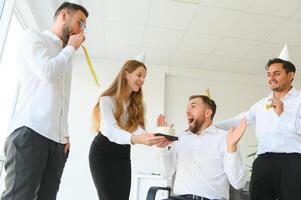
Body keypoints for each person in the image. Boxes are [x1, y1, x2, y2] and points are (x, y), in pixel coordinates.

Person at [1, 2, 88, 200]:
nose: (81, 30)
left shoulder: (67, 56)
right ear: (64, 15)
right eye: (80, 22)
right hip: (30, 134)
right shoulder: (34, 37)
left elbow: (62, 98)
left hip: (57, 143)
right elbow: (47, 73)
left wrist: (64, 133)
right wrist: (71, 49)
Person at [216, 49, 301, 199]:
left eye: (276, 73)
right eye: (269, 74)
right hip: (264, 162)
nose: (271, 78)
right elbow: (239, 120)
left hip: (293, 162)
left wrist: (283, 113)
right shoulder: (262, 104)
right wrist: (211, 127)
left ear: (290, 75)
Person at [89, 58, 169, 200]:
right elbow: (111, 130)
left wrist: (157, 137)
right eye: (139, 75)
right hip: (102, 152)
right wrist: (136, 139)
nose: (142, 79)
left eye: (144, 77)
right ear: (126, 74)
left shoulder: (138, 104)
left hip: (122, 153)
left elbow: (137, 129)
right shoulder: (107, 100)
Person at [159, 94, 248, 200]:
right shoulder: (181, 138)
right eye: (187, 107)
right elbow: (166, 173)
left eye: (193, 106)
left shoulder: (226, 139)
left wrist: (232, 148)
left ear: (208, 113)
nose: (187, 111)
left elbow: (238, 183)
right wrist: (163, 146)